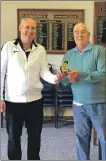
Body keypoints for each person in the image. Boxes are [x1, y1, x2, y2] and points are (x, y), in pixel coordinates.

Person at [0, 17, 64, 160]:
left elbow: (43, 72)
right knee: (13, 138)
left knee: (35, 139)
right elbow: (1, 73)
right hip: (13, 101)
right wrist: (1, 97)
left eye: (33, 28)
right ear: (20, 28)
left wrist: (55, 78)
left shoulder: (40, 49)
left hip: (35, 101)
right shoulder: (8, 47)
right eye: (27, 27)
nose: (30, 31)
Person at [58, 23, 106, 160]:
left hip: (99, 103)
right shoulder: (68, 55)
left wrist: (81, 75)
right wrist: (65, 78)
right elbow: (64, 80)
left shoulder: (100, 51)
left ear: (88, 34)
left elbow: (103, 75)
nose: (80, 34)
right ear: (73, 36)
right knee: (81, 140)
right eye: (77, 32)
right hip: (78, 105)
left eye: (83, 31)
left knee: (104, 139)